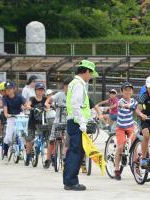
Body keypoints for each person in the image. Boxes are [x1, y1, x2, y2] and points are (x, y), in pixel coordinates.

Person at [63, 60, 98, 191]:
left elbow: (79, 104)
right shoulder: (78, 84)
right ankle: (71, 182)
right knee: (76, 151)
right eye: (91, 74)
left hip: (74, 121)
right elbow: (75, 104)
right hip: (76, 122)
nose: (91, 77)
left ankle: (69, 180)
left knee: (74, 150)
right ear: (87, 71)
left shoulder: (74, 83)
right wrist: (82, 122)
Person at [114, 82, 142, 180]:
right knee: (120, 146)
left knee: (135, 146)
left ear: (132, 91)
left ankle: (136, 167)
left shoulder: (134, 101)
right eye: (125, 90)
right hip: (120, 127)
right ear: (121, 92)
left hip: (130, 126)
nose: (128, 91)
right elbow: (122, 105)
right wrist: (128, 106)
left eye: (130, 90)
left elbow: (138, 108)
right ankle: (117, 169)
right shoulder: (120, 101)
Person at [44, 77, 72, 169]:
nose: (67, 88)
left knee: (68, 140)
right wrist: (47, 104)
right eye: (66, 86)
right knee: (52, 139)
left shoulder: (75, 96)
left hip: (69, 121)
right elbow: (49, 100)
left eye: (69, 86)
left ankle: (65, 157)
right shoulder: (59, 95)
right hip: (58, 121)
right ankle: (48, 159)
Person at [3, 81, 29, 159]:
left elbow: (26, 104)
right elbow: (5, 110)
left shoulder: (19, 97)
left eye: (10, 88)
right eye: (6, 89)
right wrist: (7, 114)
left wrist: (26, 107)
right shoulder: (5, 98)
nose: (8, 90)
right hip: (10, 118)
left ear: (14, 89)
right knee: (8, 137)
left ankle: (26, 152)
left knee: (23, 134)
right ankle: (5, 152)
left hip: (20, 117)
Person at [25, 82, 46, 166]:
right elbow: (28, 104)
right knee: (30, 139)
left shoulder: (45, 99)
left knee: (46, 137)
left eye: (42, 90)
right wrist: (30, 107)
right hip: (33, 121)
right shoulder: (32, 99)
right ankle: (28, 155)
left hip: (43, 122)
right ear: (35, 91)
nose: (40, 91)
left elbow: (49, 104)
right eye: (38, 90)